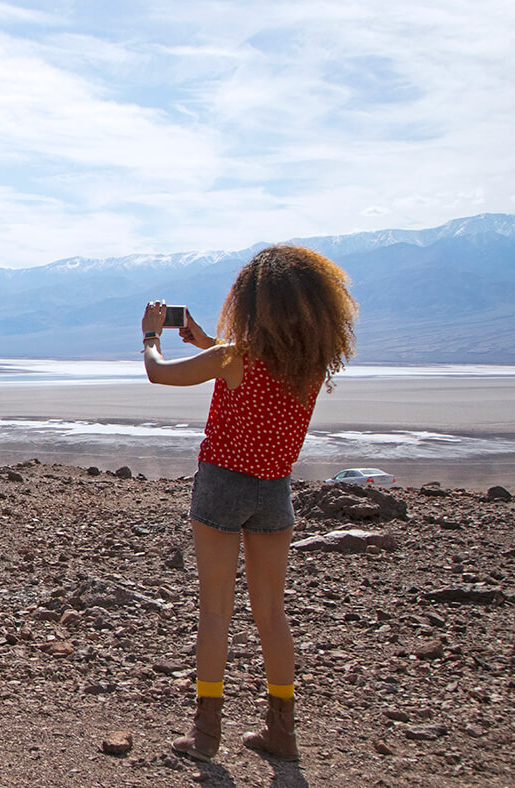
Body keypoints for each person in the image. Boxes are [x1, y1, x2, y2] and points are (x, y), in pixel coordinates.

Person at [140, 245, 357, 762]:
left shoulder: (234, 358)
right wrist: (205, 341)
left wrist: (151, 335)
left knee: (215, 613)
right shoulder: (307, 365)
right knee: (271, 615)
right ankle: (282, 731)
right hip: (274, 492)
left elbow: (159, 372)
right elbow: (250, 373)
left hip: (222, 486)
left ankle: (206, 733)